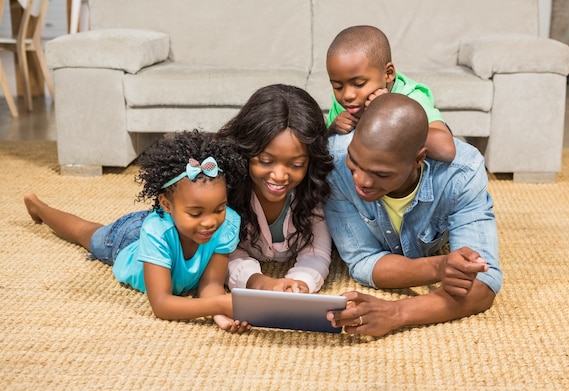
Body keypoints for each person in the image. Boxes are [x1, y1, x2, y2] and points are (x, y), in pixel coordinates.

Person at [24, 131, 251, 333]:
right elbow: (161, 304)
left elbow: (210, 284)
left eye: (219, 208)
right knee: (86, 234)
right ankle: (40, 208)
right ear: (166, 204)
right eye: (196, 213)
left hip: (171, 224)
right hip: (129, 238)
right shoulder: (156, 232)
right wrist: (220, 303)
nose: (210, 221)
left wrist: (219, 313)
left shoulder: (227, 222)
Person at [324, 93, 502, 337]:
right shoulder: (334, 161)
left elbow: (483, 283)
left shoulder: (462, 174)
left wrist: (397, 312)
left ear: (419, 159)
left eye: (381, 174)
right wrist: (440, 267)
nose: (361, 180)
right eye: (355, 162)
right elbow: (363, 261)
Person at [213, 84, 335, 294]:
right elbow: (222, 253)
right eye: (266, 161)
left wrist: (300, 284)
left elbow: (317, 252)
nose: (279, 176)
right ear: (246, 152)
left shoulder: (313, 190)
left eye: (296, 165)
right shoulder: (227, 190)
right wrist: (259, 283)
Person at [325, 25, 455, 162]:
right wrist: (332, 129)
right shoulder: (347, 102)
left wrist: (388, 115)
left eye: (359, 84)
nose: (347, 95)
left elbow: (446, 150)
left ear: (388, 73)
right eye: (337, 86)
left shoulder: (411, 97)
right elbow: (324, 146)